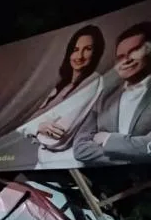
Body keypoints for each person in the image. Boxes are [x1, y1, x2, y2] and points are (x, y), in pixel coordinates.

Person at [17, 25, 105, 167]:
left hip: (67, 164)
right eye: (75, 50)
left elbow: (56, 139)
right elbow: (22, 126)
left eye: (88, 49)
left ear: (96, 52)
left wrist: (36, 127)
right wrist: (39, 126)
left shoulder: (93, 81)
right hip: (42, 163)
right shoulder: (60, 86)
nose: (80, 56)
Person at [74, 22, 151, 163]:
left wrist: (107, 140)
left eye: (134, 51)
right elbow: (80, 150)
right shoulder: (103, 98)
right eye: (121, 57)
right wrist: (133, 154)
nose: (126, 60)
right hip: (111, 182)